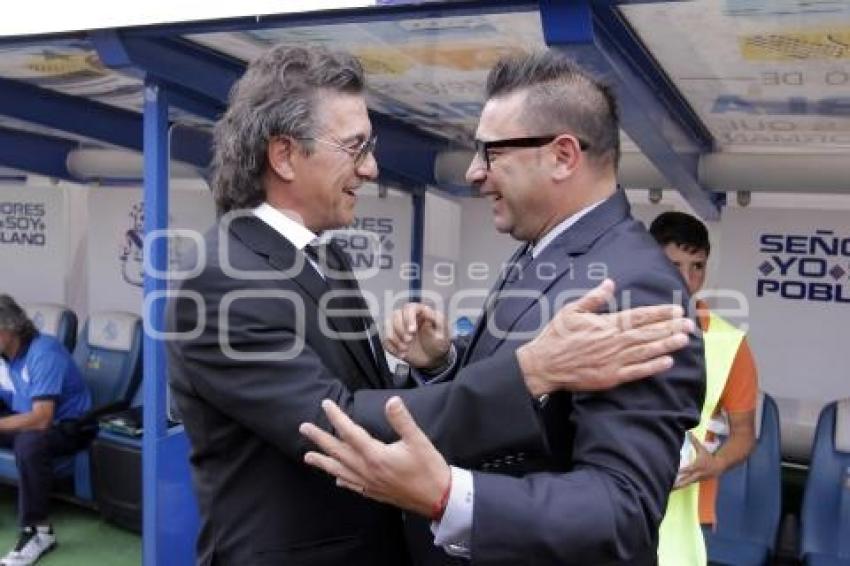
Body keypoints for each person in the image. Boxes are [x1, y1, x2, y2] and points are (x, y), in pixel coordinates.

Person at [166, 45, 695, 566]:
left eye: (490, 151)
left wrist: (444, 388)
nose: (372, 167)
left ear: (562, 156)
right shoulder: (225, 280)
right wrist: (513, 372)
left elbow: (621, 508)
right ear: (284, 155)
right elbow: (342, 422)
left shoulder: (632, 286)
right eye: (356, 146)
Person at [650, 211, 758, 565]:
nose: (688, 278)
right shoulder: (613, 324)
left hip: (689, 514)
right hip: (612, 499)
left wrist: (717, 463)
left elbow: (744, 433)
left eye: (697, 266)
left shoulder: (729, 342)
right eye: (675, 264)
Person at [0, 295, 92, 566]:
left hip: (69, 426)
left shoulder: (43, 352)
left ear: (10, 329)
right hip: (25, 416)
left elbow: (42, 419)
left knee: (29, 443)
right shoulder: (5, 356)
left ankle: (38, 531)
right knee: (26, 436)